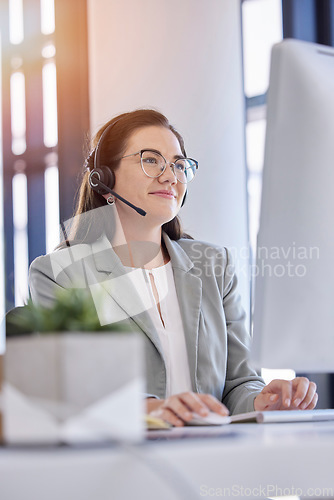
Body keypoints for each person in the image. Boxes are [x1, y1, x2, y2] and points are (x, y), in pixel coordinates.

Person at [29, 109, 318, 427]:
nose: (170, 176)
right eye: (151, 160)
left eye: (179, 164)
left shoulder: (214, 265)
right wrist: (148, 409)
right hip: (119, 462)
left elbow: (239, 383)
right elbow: (64, 387)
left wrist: (264, 401)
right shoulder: (60, 274)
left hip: (214, 457)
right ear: (104, 178)